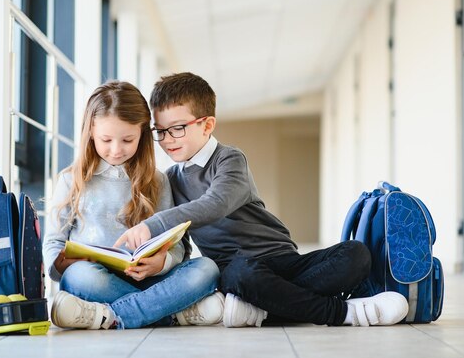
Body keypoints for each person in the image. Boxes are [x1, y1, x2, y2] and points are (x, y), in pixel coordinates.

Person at [114, 72, 409, 328]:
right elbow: (182, 241)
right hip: (238, 272)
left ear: (207, 125)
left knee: (355, 255)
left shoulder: (229, 159)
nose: (168, 139)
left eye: (178, 128)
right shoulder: (171, 179)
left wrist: (154, 223)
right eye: (161, 131)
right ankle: (342, 312)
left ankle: (263, 309)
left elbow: (216, 203)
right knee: (241, 276)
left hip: (282, 260)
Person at [43, 80, 223, 330]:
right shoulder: (71, 180)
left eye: (128, 140)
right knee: (77, 276)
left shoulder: (158, 181)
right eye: (106, 140)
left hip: (151, 281)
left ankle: (107, 315)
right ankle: (172, 314)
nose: (116, 150)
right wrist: (64, 263)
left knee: (207, 268)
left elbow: (178, 245)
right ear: (91, 133)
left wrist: (162, 263)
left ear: (142, 135)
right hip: (98, 281)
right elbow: (53, 243)